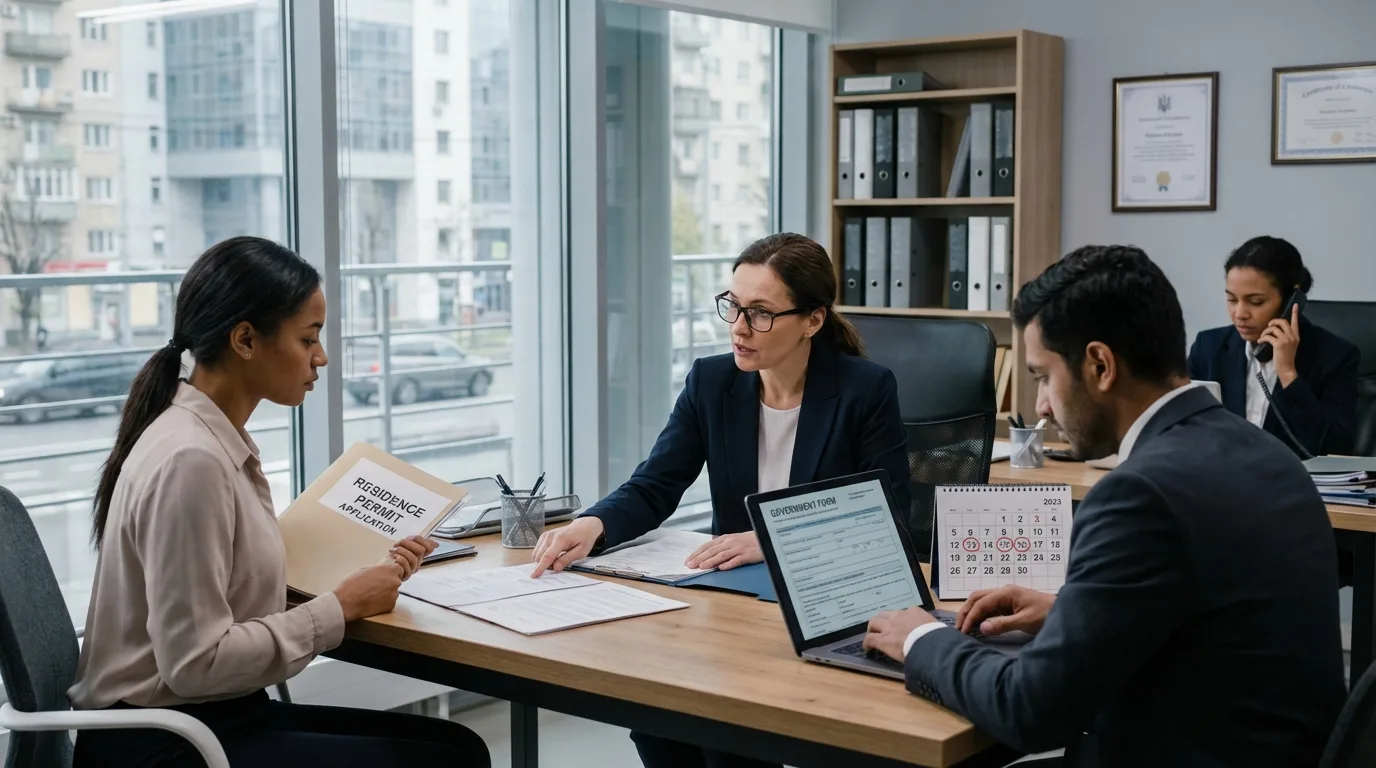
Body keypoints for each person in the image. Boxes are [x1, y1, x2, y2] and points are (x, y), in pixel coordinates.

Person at [862, 245, 1346, 767]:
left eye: (1044, 376)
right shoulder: (1267, 455)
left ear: (1100, 364)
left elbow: (1031, 711)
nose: (1042, 405)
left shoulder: (1139, 493)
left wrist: (922, 638)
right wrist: (1072, 614)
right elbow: (1213, 623)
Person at [68, 237, 491, 768]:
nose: (322, 357)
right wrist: (341, 606)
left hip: (208, 714)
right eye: (308, 338)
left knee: (458, 747)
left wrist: (344, 579)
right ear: (245, 339)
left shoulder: (203, 435)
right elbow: (195, 664)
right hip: (164, 740)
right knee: (449, 760)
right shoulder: (190, 460)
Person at [532, 232, 910, 768]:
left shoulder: (864, 389)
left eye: (760, 313)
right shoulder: (712, 381)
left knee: (725, 743)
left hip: (825, 598)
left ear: (813, 320)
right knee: (656, 720)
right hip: (731, 601)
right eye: (733, 306)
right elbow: (657, 482)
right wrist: (592, 524)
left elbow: (888, 514)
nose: (738, 327)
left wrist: (771, 540)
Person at [1187, 235, 1359, 458]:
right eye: (1231, 299)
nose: (1240, 314)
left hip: (1294, 488)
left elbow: (1337, 450)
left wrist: (1288, 375)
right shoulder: (1208, 348)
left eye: (1256, 302)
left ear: (1291, 300)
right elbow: (1181, 427)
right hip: (1220, 483)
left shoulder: (1335, 356)